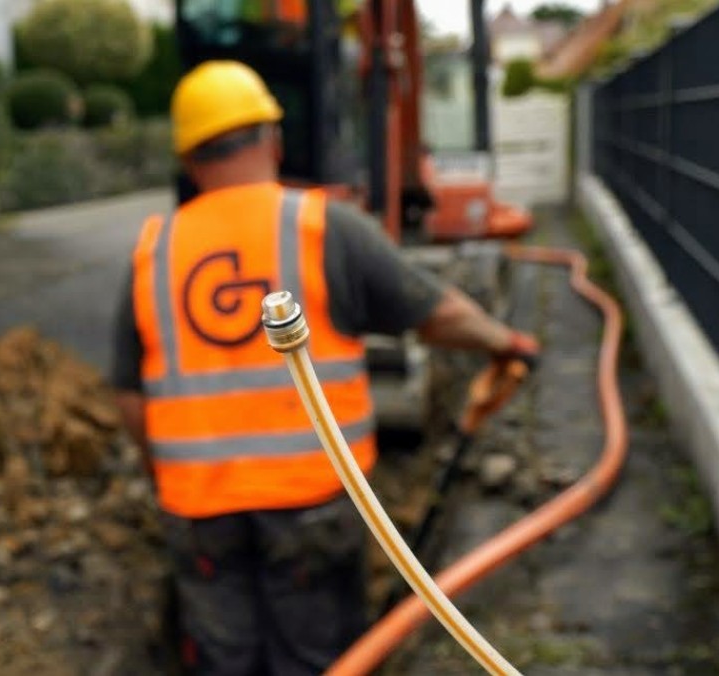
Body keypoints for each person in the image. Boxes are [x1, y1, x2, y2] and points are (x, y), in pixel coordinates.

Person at [109, 60, 540, 676]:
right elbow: (436, 312)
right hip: (310, 501)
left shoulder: (153, 251)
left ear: (187, 159)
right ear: (272, 139)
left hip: (199, 510)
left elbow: (129, 396)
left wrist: (167, 470)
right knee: (319, 660)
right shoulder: (322, 226)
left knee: (221, 657)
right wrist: (507, 343)